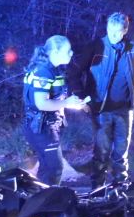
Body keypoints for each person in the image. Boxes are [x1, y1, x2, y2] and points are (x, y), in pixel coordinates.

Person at [67, 13, 134, 189]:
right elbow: (74, 72)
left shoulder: (132, 46)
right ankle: (97, 188)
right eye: (110, 31)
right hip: (100, 108)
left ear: (125, 30)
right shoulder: (95, 47)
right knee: (102, 151)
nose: (113, 35)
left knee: (121, 152)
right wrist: (81, 99)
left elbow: (133, 75)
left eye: (118, 32)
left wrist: (133, 98)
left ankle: (121, 187)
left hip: (125, 108)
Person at [23, 35, 88, 186]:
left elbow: (54, 100)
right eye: (68, 51)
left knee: (47, 169)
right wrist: (66, 102)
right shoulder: (44, 72)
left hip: (43, 126)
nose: (71, 54)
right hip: (41, 128)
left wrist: (71, 103)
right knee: (54, 169)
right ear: (56, 52)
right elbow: (41, 104)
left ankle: (40, 203)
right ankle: (49, 204)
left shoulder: (52, 70)